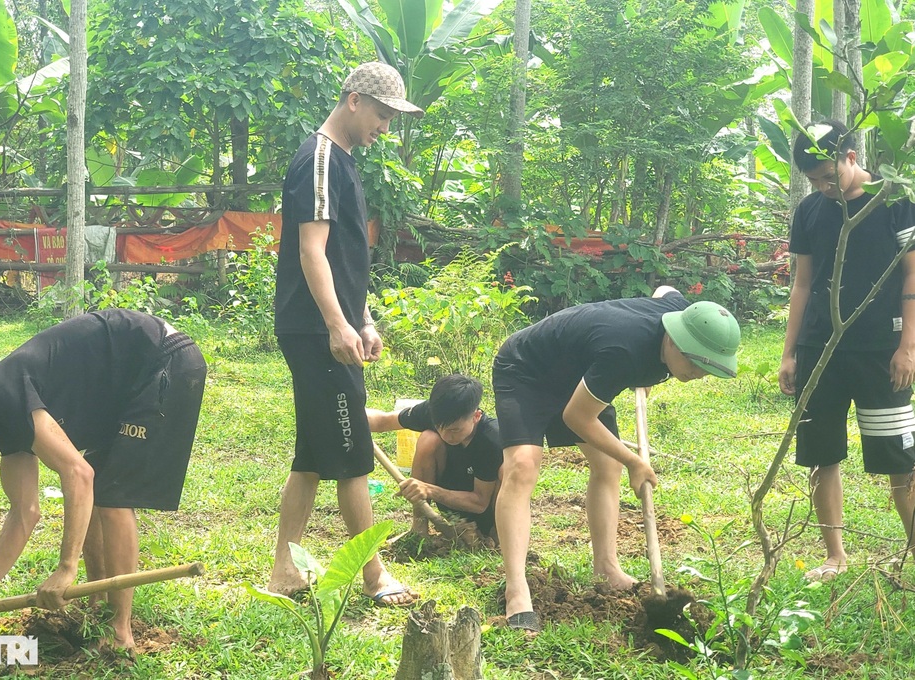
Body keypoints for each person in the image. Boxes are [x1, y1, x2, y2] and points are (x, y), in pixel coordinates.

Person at [0, 308, 206, 652]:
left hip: (162, 359)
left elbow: (77, 474)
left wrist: (66, 567)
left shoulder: (3, 395)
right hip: (126, 379)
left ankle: (119, 631)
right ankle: (98, 607)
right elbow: (24, 512)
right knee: (101, 486)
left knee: (112, 496)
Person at [492, 287, 740, 633]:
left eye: (708, 366)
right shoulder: (623, 352)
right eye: (695, 362)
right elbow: (577, 417)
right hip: (527, 368)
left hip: (583, 373)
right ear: (672, 340)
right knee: (522, 466)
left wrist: (651, 369)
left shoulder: (681, 313)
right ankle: (516, 588)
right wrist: (635, 462)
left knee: (605, 466)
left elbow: (666, 291)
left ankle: (607, 567)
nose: (699, 373)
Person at [267, 62, 424, 606]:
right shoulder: (317, 159)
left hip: (334, 325)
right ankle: (374, 575)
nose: (386, 127)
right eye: (382, 115)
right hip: (314, 329)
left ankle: (285, 570)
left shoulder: (346, 162)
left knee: (312, 454)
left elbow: (344, 257)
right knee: (354, 452)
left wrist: (362, 319)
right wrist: (336, 324)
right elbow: (311, 252)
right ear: (354, 101)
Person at [778, 119, 915, 581]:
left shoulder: (897, 201)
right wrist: (789, 352)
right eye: (813, 181)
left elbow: (914, 276)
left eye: (827, 177)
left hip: (882, 351)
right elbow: (801, 284)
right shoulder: (811, 211)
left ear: (851, 158)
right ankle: (835, 554)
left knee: (900, 457)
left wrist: (907, 347)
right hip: (821, 349)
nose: (822, 188)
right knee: (822, 452)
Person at [367, 374, 503, 539]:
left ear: (476, 416)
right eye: (440, 427)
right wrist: (343, 416)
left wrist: (429, 489)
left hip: (486, 511)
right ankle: (419, 528)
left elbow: (480, 502)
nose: (446, 435)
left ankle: (497, 536)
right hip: (451, 504)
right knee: (428, 439)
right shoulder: (433, 412)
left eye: (455, 430)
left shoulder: (491, 439)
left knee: (509, 466)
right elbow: (382, 421)